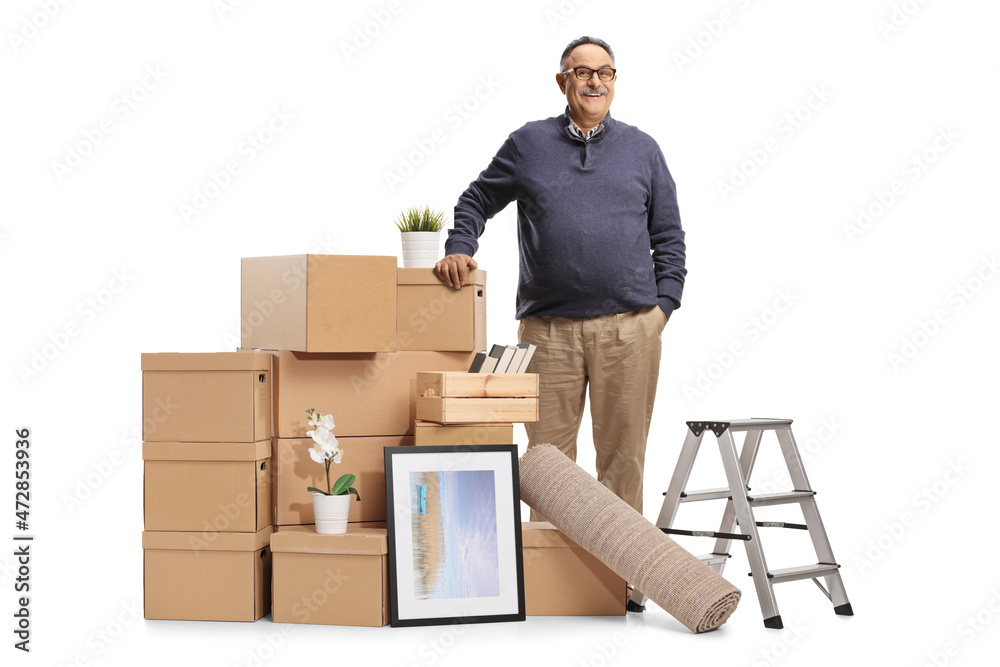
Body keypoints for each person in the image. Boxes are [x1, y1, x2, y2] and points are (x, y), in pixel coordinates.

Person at [434, 36, 686, 515]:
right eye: (582, 72)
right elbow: (476, 199)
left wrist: (663, 308)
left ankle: (616, 587)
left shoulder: (642, 149)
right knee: (548, 468)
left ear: (614, 80)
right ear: (562, 81)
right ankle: (557, 586)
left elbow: (669, 235)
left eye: (604, 72)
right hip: (547, 334)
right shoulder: (529, 144)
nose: (594, 81)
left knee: (623, 462)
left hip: (630, 329)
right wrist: (460, 247)